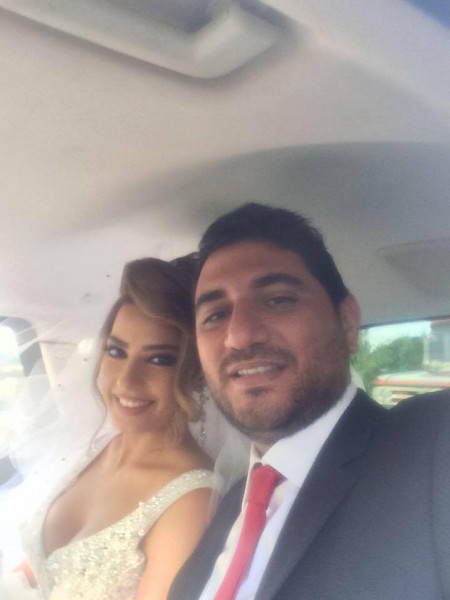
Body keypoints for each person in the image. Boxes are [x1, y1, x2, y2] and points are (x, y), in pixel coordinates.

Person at [169, 203, 450, 600]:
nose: (240, 335)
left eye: (277, 300)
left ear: (347, 323)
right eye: (215, 315)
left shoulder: (430, 446)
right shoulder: (229, 506)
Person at [17, 256, 218, 600]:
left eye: (159, 359)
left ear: (197, 373)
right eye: (116, 351)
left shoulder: (191, 501)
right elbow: (41, 570)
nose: (126, 380)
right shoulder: (97, 447)